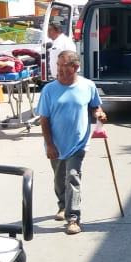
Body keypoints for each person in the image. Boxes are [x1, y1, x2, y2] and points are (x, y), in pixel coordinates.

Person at [36, 50, 106, 235]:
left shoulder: (88, 86)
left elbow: (94, 106)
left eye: (63, 65)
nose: (59, 69)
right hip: (56, 144)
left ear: (75, 67)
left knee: (73, 177)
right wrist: (50, 145)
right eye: (58, 65)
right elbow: (44, 120)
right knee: (60, 178)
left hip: (79, 142)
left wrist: (98, 113)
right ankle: (62, 204)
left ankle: (73, 218)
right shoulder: (49, 90)